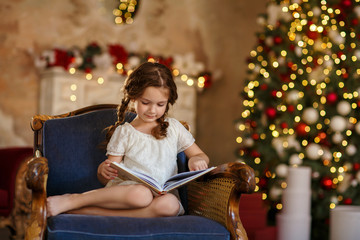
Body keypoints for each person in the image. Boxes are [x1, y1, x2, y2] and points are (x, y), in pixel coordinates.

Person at [47, 62, 210, 218]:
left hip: (162, 195)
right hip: (130, 193)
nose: (152, 110)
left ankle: (90, 212)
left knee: (171, 206)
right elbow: (108, 177)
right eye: (146, 103)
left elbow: (201, 155)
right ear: (133, 97)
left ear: (168, 102)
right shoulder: (125, 132)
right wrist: (103, 171)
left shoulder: (173, 128)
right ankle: (74, 200)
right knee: (141, 195)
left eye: (160, 104)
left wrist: (196, 160)